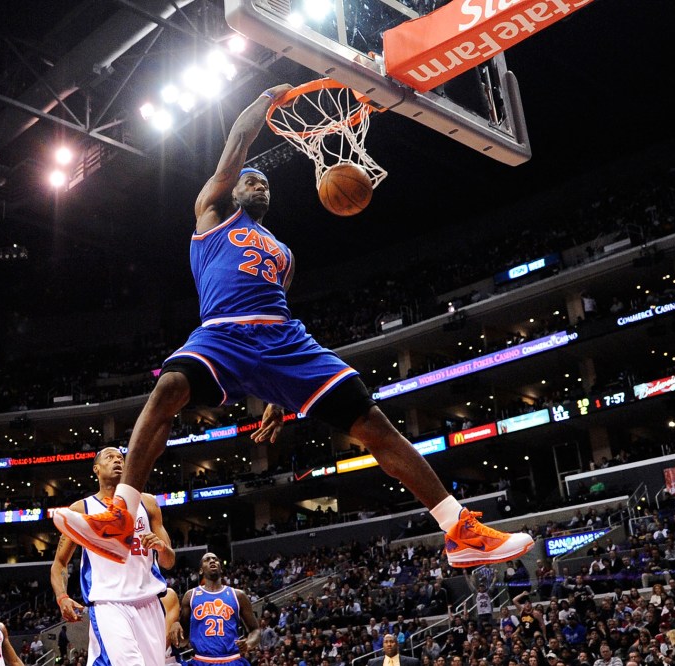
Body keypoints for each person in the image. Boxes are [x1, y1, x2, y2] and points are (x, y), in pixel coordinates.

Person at [53, 84, 534, 570]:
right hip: (221, 330)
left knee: (371, 421)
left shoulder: (284, 253)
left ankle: (458, 531)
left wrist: (277, 398)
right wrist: (262, 103)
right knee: (170, 386)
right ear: (234, 188)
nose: (259, 184)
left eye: (265, 183)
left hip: (283, 339)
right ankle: (119, 518)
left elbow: (273, 338)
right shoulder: (213, 215)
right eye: (251, 181)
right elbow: (235, 149)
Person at [49, 447, 175, 666]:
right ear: (96, 469)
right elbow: (60, 562)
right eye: (110, 457)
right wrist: (62, 597)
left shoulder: (148, 503)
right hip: (110, 603)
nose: (118, 461)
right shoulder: (82, 509)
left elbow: (169, 562)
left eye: (121, 458)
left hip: (149, 601)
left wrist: (162, 548)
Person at [169, 552, 260, 666]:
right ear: (201, 570)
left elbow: (255, 630)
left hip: (232, 660)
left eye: (215, 559)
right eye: (207, 560)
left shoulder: (238, 595)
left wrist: (249, 643)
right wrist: (175, 624)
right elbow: (183, 641)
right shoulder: (190, 596)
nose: (212, 561)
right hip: (201, 661)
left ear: (221, 568)